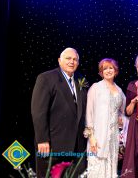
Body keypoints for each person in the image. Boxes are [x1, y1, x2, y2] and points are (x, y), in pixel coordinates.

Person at [31, 47, 88, 178]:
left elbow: (84, 108)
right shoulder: (46, 78)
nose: (71, 62)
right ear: (59, 60)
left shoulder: (81, 80)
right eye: (68, 58)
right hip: (52, 144)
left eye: (75, 59)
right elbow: (39, 112)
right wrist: (42, 139)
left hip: (76, 146)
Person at [84, 58, 126, 178]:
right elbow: (89, 113)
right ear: (101, 72)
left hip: (113, 137)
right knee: (97, 169)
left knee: (111, 169)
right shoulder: (95, 87)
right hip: (98, 137)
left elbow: (124, 111)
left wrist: (121, 119)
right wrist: (91, 137)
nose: (108, 71)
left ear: (116, 71)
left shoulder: (119, 90)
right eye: (105, 68)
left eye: (111, 68)